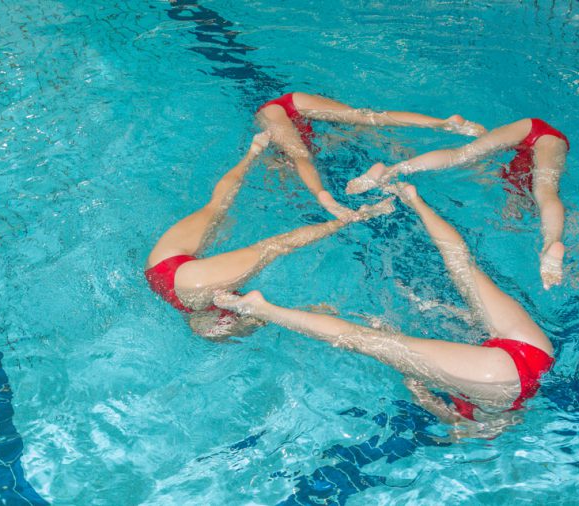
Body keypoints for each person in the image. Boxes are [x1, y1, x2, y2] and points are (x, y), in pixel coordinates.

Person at [215, 184, 554, 423]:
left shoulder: (507, 411)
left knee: (464, 266)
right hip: (493, 378)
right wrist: (417, 387)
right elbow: (447, 414)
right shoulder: (473, 426)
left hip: (537, 352)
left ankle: (413, 199)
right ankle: (263, 309)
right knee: (364, 340)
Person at [145, 132, 394, 339]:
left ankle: (353, 218)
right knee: (216, 204)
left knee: (274, 246)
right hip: (158, 266)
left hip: (193, 286)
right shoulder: (213, 321)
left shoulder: (216, 323)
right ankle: (253, 152)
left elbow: (268, 317)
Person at [346, 118, 569, 289]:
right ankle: (551, 242)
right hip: (550, 142)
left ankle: (391, 170)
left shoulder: (512, 180)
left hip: (530, 125)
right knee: (545, 192)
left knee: (460, 154)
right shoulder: (517, 186)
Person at [256, 92, 486, 222]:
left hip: (271, 113)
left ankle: (323, 197)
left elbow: (300, 160)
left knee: (300, 157)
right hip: (294, 99)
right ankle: (442, 123)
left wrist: (320, 194)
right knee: (367, 118)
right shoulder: (301, 141)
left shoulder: (279, 160)